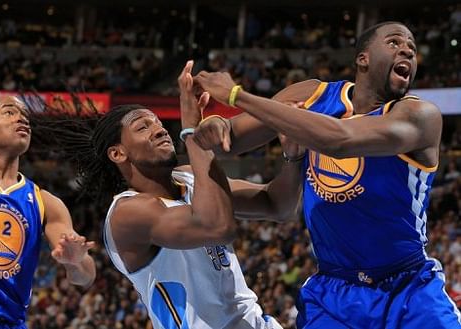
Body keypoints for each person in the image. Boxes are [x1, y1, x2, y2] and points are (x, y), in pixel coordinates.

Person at [192, 22, 461, 328]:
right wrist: (213, 125)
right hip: (333, 292)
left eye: (412, 48)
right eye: (394, 42)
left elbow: (340, 140)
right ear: (363, 58)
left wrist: (236, 94)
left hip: (408, 289)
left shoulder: (420, 116)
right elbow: (231, 140)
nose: (407, 50)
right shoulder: (313, 95)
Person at [26, 60, 305, 328]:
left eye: (158, 122)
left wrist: (292, 156)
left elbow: (278, 205)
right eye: (142, 127)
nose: (158, 129)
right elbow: (218, 227)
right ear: (118, 153)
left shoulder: (189, 176)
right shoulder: (128, 213)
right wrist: (194, 132)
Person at [0, 96, 96, 328]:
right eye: (9, 112)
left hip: (14, 322)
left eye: (25, 115)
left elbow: (85, 277)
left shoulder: (46, 202)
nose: (22, 119)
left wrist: (75, 261)